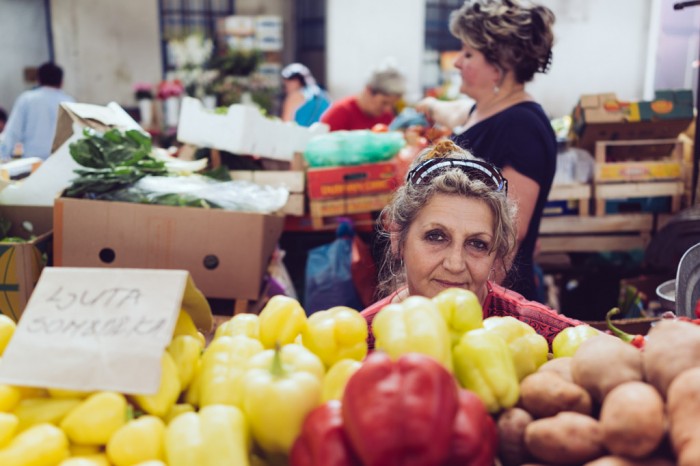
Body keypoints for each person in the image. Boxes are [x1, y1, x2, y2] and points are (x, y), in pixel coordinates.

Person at [361, 140, 580, 348]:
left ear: (496, 254)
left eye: (477, 244)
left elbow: (605, 351)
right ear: (398, 238)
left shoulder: (530, 333)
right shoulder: (362, 340)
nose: (455, 265)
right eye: (436, 236)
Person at [415, 0, 557, 302]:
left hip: (485, 298)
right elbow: (452, 112)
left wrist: (477, 302)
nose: (457, 63)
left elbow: (510, 234)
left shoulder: (522, 127)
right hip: (455, 284)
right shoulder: (481, 110)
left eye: (468, 54)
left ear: (498, 67)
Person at [0, 62, 75, 160]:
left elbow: (13, 132)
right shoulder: (70, 102)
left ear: (39, 80)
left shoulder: (27, 99)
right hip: (62, 160)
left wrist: (3, 156)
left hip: (34, 162)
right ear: (61, 82)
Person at [320, 60, 406, 131]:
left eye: (392, 104)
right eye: (384, 103)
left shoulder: (387, 117)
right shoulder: (338, 114)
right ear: (369, 90)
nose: (388, 109)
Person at [280, 63, 331, 127]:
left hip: (300, 134)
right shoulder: (323, 94)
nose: (286, 87)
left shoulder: (296, 96)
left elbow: (286, 123)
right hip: (322, 134)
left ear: (297, 81)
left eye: (287, 82)